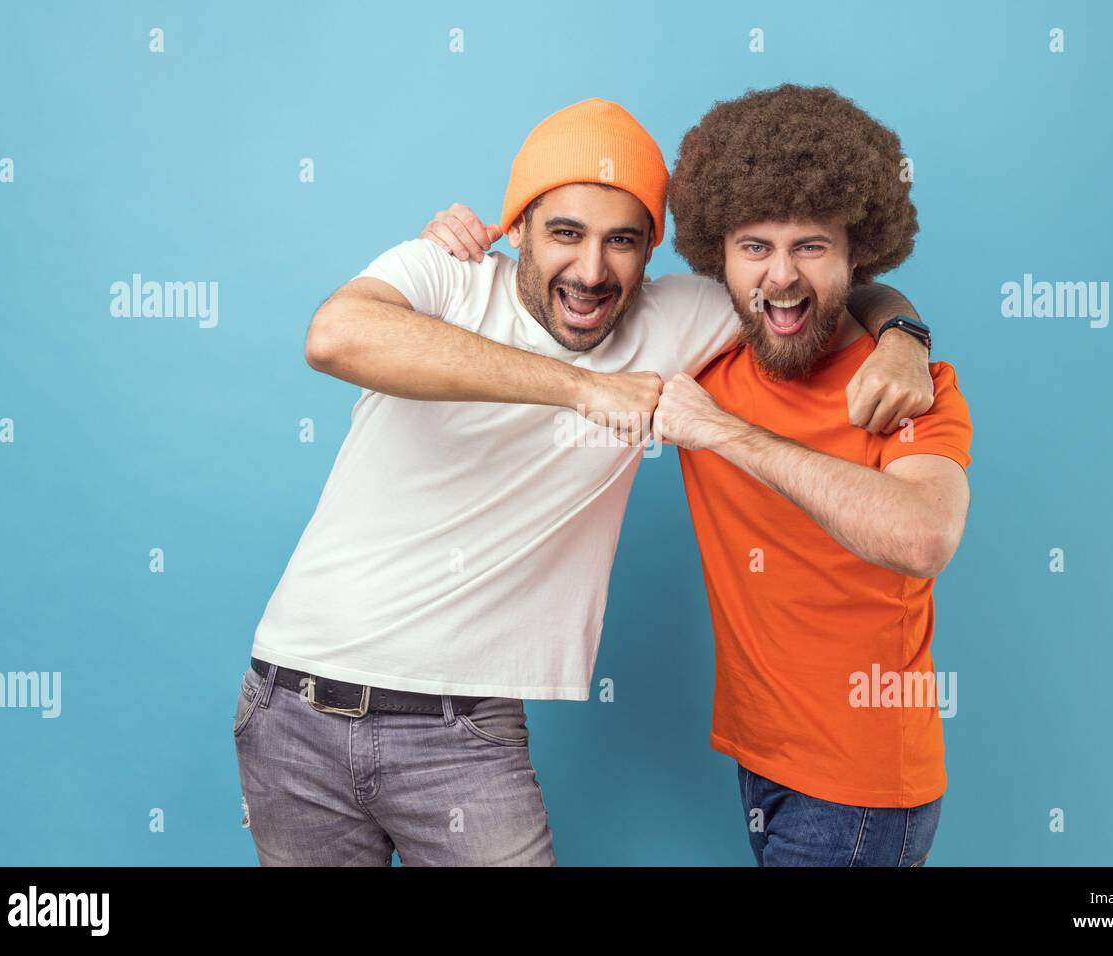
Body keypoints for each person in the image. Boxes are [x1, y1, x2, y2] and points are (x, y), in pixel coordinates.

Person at [235, 97, 933, 866]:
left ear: (651, 253)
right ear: (517, 227)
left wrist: (902, 337)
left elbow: (817, 281)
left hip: (463, 729)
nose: (593, 269)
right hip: (287, 703)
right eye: (565, 232)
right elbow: (335, 336)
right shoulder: (444, 276)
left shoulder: (674, 322)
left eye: (623, 242)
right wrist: (581, 389)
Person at [652, 84, 972, 866]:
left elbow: (923, 535)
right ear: (717, 258)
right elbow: (570, 307)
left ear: (855, 252)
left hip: (861, 789)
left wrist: (724, 433)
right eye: (755, 246)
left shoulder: (909, 386)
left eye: (812, 246)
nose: (783, 276)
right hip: (759, 759)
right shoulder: (708, 352)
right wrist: (455, 250)